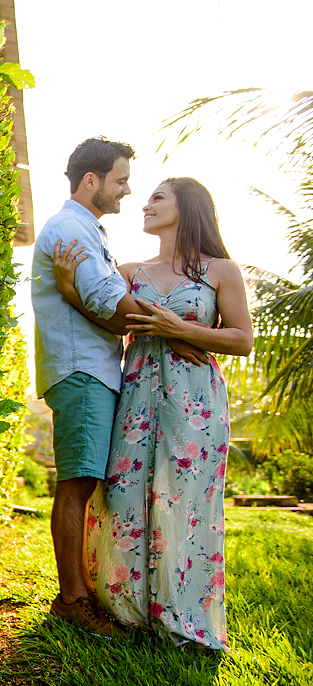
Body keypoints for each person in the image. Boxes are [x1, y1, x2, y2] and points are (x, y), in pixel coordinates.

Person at [53, 177, 253, 650]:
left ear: (189, 206)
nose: (145, 203)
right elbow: (109, 319)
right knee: (123, 497)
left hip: (195, 402)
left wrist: (175, 327)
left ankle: (183, 612)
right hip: (137, 396)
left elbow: (242, 339)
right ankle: (125, 609)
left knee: (183, 501)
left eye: (158, 197)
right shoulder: (128, 270)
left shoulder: (222, 270)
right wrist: (69, 290)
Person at [30, 137, 143, 638]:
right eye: (120, 179)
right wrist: (163, 320)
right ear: (91, 180)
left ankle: (80, 590)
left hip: (91, 368)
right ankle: (72, 599)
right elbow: (112, 306)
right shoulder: (72, 228)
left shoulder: (85, 228)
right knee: (76, 481)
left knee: (85, 479)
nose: (127, 189)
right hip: (82, 370)